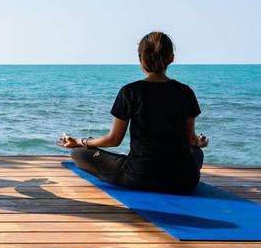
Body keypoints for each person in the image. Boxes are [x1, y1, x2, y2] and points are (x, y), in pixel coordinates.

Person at [59, 31, 209, 192]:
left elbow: (113, 140)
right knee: (197, 152)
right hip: (185, 178)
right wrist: (198, 143)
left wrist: (81, 142)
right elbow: (190, 139)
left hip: (140, 177)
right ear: (171, 58)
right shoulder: (185, 92)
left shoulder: (130, 92)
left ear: (140, 59)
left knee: (78, 154)